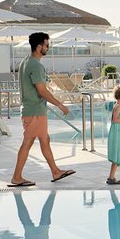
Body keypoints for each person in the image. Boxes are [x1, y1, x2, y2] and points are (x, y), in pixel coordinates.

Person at [9, 32, 75, 187]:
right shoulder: (36, 65)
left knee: (45, 140)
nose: (48, 47)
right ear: (39, 47)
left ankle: (55, 171)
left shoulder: (26, 61)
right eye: (46, 45)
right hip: (35, 111)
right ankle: (17, 177)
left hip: (32, 110)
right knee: (28, 142)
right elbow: (42, 90)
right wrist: (59, 104)